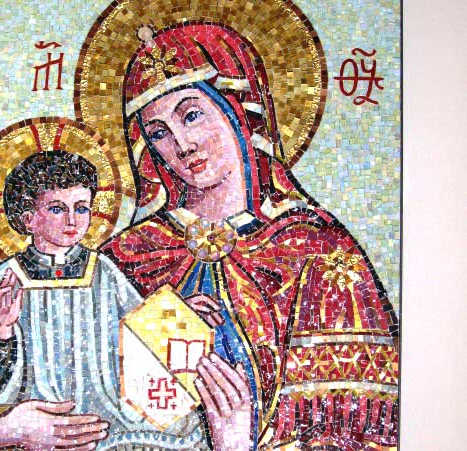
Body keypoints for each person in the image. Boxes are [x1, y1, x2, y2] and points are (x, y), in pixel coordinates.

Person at [98, 22, 399, 450]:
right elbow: (88, 402)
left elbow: (363, 432)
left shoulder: (320, 250)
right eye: (159, 132)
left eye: (191, 115)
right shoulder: (127, 257)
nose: (182, 145)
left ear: (238, 111)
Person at [0, 149, 219, 450]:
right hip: (36, 420)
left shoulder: (103, 271)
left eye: (81, 208)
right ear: (29, 219)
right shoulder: (4, 280)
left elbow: (135, 328)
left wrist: (173, 314)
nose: (72, 220)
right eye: (57, 209)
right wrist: (0, 331)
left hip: (109, 413)